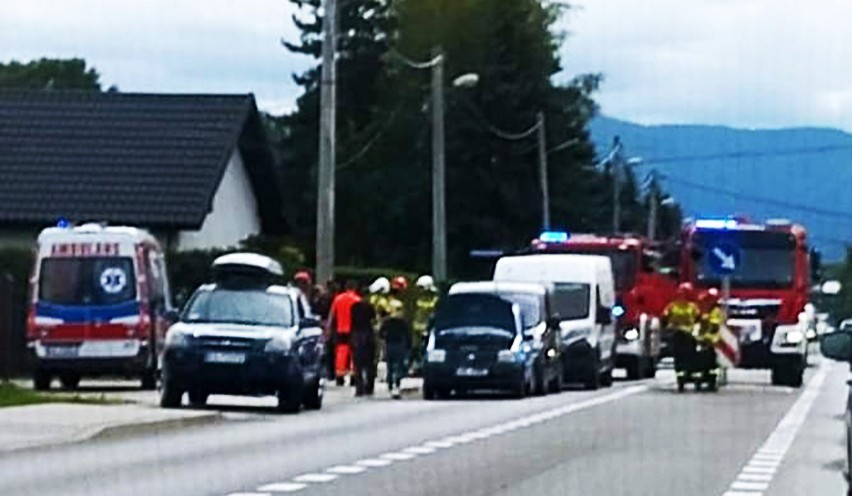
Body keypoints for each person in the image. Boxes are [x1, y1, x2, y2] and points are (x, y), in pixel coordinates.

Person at [662, 282, 701, 383]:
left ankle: (682, 374)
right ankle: (685, 374)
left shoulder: (673, 306)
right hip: (684, 335)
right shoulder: (691, 307)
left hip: (682, 335)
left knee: (681, 356)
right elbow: (698, 319)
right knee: (686, 356)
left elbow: (664, 318)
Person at [327, 280, 361, 386]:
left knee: (341, 352)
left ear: (346, 287)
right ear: (355, 288)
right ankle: (352, 376)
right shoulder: (357, 300)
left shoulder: (338, 299)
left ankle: (339, 376)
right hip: (353, 330)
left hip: (340, 329)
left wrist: (328, 328)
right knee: (353, 354)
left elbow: (332, 315)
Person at [350, 288, 377, 396]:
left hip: (357, 335)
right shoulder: (370, 307)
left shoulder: (354, 307)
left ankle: (359, 388)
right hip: (368, 335)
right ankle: (369, 387)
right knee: (370, 363)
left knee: (358, 365)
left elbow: (352, 321)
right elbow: (373, 321)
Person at [381, 311, 412, 399]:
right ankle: (398, 382)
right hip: (399, 344)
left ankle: (390, 384)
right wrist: (408, 347)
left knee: (390, 366)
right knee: (400, 364)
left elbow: (381, 334)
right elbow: (407, 334)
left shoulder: (387, 322)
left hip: (389, 344)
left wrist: (384, 340)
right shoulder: (402, 322)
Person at [412, 275, 438, 373]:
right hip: (417, 327)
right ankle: (418, 365)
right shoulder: (418, 298)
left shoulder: (435, 299)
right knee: (416, 349)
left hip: (429, 328)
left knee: (428, 348)